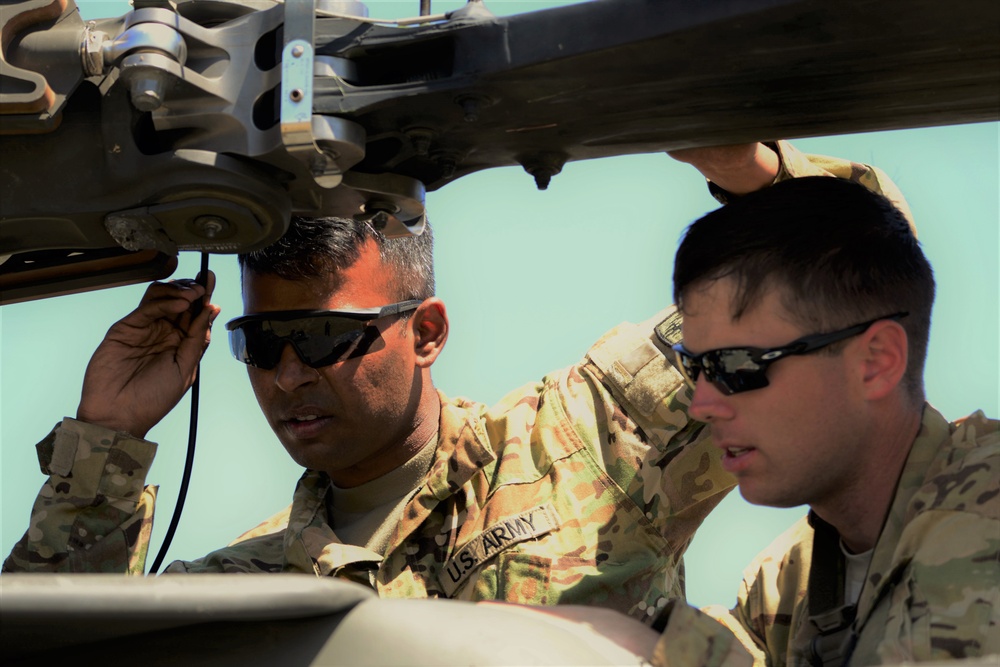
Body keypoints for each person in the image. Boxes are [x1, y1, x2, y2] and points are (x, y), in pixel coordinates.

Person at [2, 141, 908, 623]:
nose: (286, 374)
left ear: (426, 330)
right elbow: (50, 646)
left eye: (323, 339)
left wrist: (748, 170)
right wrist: (106, 441)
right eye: (260, 342)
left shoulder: (591, 430)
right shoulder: (253, 590)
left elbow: (862, 266)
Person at [644, 176, 999, 666]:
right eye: (696, 367)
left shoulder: (983, 521)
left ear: (875, 361)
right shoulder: (788, 579)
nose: (702, 403)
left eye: (736, 366)